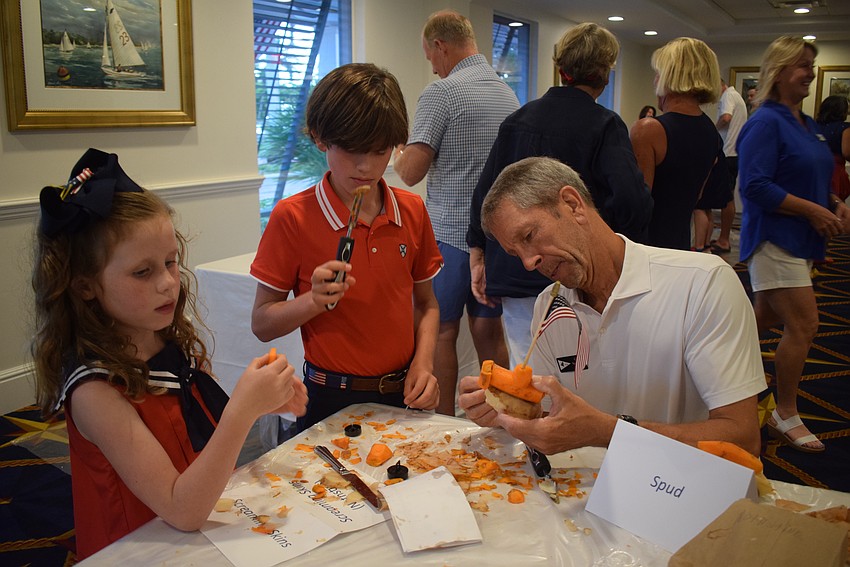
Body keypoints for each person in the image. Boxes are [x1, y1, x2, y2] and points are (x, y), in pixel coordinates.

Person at [32, 148, 308, 559]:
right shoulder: (95, 393)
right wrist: (242, 412)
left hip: (201, 521)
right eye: (143, 272)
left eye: (170, 262)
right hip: (142, 549)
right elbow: (181, 509)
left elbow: (194, 439)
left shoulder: (164, 342)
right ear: (85, 285)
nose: (167, 283)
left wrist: (264, 402)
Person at [458, 156, 766, 456]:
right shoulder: (549, 307)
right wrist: (510, 413)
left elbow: (742, 439)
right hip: (584, 482)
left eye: (529, 235)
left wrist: (606, 431)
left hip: (678, 482)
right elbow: (553, 418)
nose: (528, 262)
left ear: (573, 205)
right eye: (516, 254)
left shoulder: (702, 283)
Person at [251, 63, 442, 430]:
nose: (365, 167)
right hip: (329, 397)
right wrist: (313, 301)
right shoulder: (293, 217)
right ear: (320, 138)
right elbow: (262, 323)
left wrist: (424, 364)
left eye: (379, 151)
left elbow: (426, 304)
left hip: (402, 392)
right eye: (351, 150)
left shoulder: (412, 210)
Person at [467, 22, 653, 372]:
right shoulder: (604, 124)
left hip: (516, 271)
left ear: (561, 67)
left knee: (528, 369)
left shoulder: (517, 120)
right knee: (585, 370)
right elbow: (631, 201)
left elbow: (487, 195)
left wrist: (478, 253)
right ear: (605, 73)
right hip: (574, 269)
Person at [392, 10, 516, 416]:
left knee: (442, 331)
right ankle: (502, 418)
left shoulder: (442, 93)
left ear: (440, 46)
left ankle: (442, 426)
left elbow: (410, 172)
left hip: (450, 236)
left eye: (430, 55)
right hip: (495, 238)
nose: (431, 65)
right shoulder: (507, 93)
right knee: (489, 330)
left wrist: (397, 149)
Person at [738, 37, 850, 453]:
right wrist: (812, 210)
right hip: (774, 239)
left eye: (811, 65)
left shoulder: (806, 123)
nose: (810, 73)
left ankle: (706, 368)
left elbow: (810, 176)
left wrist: (832, 201)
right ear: (780, 70)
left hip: (800, 240)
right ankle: (785, 412)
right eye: (802, 65)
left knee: (762, 320)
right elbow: (755, 185)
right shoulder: (765, 122)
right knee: (805, 324)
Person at [630, 37, 724, 251]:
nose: (655, 81)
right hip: (679, 243)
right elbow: (697, 195)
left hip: (647, 248)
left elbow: (637, 206)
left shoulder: (648, 129)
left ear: (670, 76)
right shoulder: (711, 131)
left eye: (658, 73)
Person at [694, 78, 748, 254]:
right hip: (734, 153)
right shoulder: (737, 96)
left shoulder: (728, 96)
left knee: (712, 201)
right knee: (722, 199)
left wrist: (712, 130)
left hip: (728, 153)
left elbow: (726, 117)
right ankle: (714, 240)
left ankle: (722, 240)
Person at [816, 94, 850, 203]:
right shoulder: (845, 128)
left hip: (817, 169)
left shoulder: (814, 125)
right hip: (835, 171)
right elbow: (847, 152)